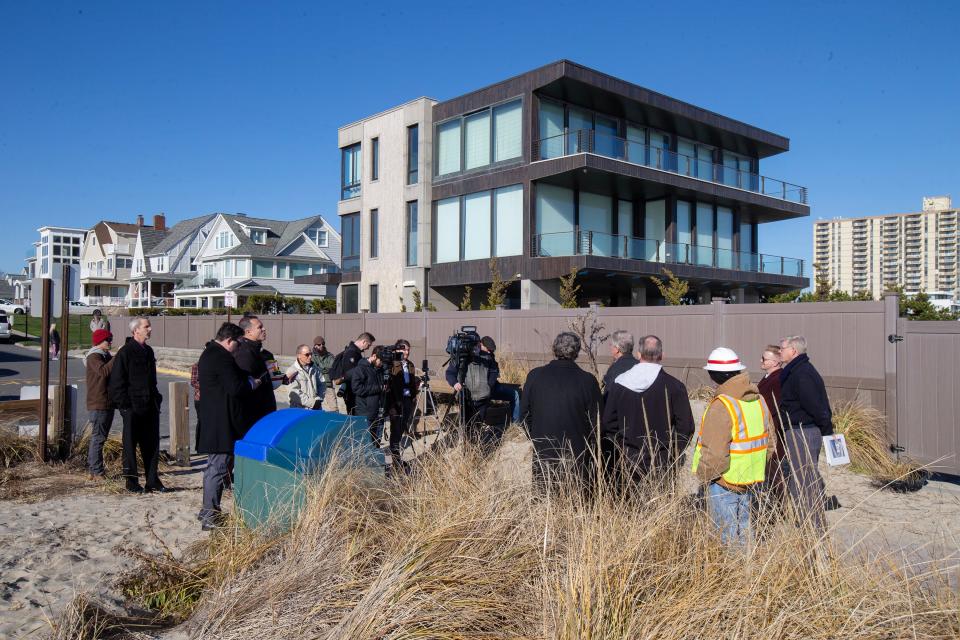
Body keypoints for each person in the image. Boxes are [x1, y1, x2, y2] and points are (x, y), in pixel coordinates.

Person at [690, 347, 776, 545]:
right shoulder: (759, 400)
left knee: (726, 539)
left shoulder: (722, 405)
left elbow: (715, 454)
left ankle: (732, 575)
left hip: (723, 483)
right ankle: (750, 574)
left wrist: (704, 477)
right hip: (751, 481)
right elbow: (770, 442)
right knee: (745, 534)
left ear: (713, 375)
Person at [601, 335, 694, 485]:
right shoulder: (674, 387)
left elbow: (609, 422)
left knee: (630, 505)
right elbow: (686, 427)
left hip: (628, 458)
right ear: (662, 355)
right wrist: (673, 454)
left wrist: (621, 446)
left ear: (638, 354)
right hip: (662, 460)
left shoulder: (619, 384)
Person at [196, 322, 261, 530]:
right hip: (221, 421)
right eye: (238, 343)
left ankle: (207, 511)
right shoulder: (220, 356)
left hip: (216, 418)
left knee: (214, 467)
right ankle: (209, 516)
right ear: (229, 340)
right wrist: (252, 384)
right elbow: (235, 387)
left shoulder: (210, 353)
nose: (239, 348)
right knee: (218, 467)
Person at [520, 332, 602, 491]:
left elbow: (523, 415)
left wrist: (536, 437)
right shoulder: (587, 380)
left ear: (554, 349)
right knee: (575, 499)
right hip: (576, 452)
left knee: (544, 499)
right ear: (577, 351)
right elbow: (597, 421)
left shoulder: (535, 375)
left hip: (543, 450)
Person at [778, 335, 833, 532]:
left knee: (806, 482)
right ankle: (807, 525)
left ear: (793, 351)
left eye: (782, 348)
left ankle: (815, 529)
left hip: (804, 431)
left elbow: (817, 406)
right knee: (799, 480)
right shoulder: (795, 371)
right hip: (797, 431)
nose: (779, 352)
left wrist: (827, 430)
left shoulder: (802, 373)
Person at [108, 316, 165, 493]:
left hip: (150, 406)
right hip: (133, 407)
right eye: (146, 326)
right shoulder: (125, 352)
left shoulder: (148, 351)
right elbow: (116, 382)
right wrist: (125, 407)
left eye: (149, 326)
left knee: (152, 444)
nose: (150, 329)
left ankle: (152, 480)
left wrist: (156, 398)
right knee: (130, 445)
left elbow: (152, 380)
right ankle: (131, 482)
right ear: (136, 330)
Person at [445, 335, 502, 442]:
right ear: (480, 344)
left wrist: (489, 385)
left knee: (478, 425)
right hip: (465, 397)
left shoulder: (488, 357)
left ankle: (476, 444)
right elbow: (450, 373)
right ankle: (467, 445)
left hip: (483, 397)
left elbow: (494, 372)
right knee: (466, 424)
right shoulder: (460, 356)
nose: (490, 352)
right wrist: (455, 383)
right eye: (488, 349)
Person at [234, 315, 284, 428]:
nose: (264, 329)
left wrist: (282, 378)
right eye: (259, 327)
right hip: (253, 415)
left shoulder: (266, 354)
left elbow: (275, 377)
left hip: (266, 411)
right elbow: (243, 386)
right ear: (248, 332)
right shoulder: (243, 354)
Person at [757, 344, 787, 508]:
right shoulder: (768, 377)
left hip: (772, 430)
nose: (761, 361)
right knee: (769, 470)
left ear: (775, 362)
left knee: (774, 469)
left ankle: (781, 506)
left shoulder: (778, 379)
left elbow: (773, 406)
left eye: (764, 359)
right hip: (765, 428)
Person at [85, 328, 115, 479]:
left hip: (106, 403)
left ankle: (94, 470)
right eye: (107, 340)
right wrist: (118, 357)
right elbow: (103, 372)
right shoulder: (94, 356)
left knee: (100, 438)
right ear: (99, 342)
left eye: (110, 339)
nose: (110, 342)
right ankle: (96, 471)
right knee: (98, 438)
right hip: (99, 403)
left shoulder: (104, 355)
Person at [347, 345, 387, 457]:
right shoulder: (361, 369)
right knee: (364, 444)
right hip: (366, 413)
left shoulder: (380, 370)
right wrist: (378, 388)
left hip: (379, 412)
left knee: (376, 442)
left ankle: (374, 464)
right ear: (374, 356)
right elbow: (356, 388)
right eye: (381, 361)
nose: (382, 363)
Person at [388, 340, 419, 473]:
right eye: (404, 349)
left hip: (407, 399)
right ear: (398, 350)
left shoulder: (410, 364)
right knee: (395, 429)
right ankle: (395, 458)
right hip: (396, 401)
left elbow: (411, 381)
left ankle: (397, 454)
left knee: (401, 428)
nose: (407, 352)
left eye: (408, 349)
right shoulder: (392, 363)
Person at [332, 332, 376, 414]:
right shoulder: (351, 353)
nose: (368, 348)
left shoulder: (355, 352)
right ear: (363, 342)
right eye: (368, 345)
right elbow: (351, 374)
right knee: (354, 416)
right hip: (352, 392)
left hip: (354, 391)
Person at [601, 330, 637, 401]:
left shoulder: (615, 369)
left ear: (617, 349)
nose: (610, 347)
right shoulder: (639, 365)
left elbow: (608, 396)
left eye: (611, 345)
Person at [286, 344, 324, 410]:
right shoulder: (292, 371)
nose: (310, 356)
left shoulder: (314, 368)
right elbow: (294, 393)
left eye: (311, 354)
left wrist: (319, 399)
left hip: (315, 408)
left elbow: (322, 383)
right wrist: (312, 403)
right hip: (299, 411)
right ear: (299, 356)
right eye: (307, 354)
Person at [310, 336, 337, 411]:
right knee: (314, 407)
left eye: (323, 344)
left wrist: (321, 368)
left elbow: (333, 368)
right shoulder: (311, 356)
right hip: (315, 385)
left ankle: (336, 421)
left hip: (328, 384)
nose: (321, 346)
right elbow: (314, 369)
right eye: (319, 344)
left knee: (334, 408)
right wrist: (325, 369)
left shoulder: (329, 356)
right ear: (315, 345)